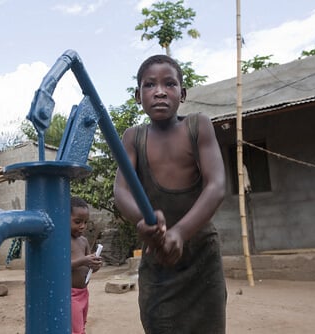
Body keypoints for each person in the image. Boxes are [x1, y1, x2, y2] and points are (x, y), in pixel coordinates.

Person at [113, 54, 227, 333]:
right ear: (138, 96)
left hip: (201, 258)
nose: (160, 91)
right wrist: (145, 220)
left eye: (170, 84)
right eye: (149, 85)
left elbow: (217, 186)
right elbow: (121, 190)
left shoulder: (198, 125)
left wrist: (179, 233)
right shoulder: (132, 137)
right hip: (158, 258)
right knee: (158, 324)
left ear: (183, 93)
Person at [70, 196, 103, 334]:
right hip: (70, 295)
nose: (82, 226)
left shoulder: (83, 241)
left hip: (84, 292)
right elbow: (59, 266)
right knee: (77, 330)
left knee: (81, 325)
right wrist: (84, 260)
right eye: (77, 222)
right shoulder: (63, 240)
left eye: (85, 222)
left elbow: (89, 266)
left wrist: (95, 265)